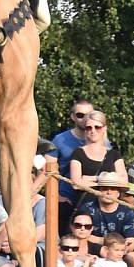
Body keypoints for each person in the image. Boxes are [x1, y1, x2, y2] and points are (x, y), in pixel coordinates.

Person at [46, 99, 93, 235]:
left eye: (89, 115)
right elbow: (47, 170)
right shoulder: (60, 140)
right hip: (66, 198)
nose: (85, 119)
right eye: (80, 115)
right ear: (72, 116)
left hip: (94, 198)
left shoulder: (102, 140)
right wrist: (56, 196)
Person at [77, 172, 134, 267]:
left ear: (118, 193)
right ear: (98, 191)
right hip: (92, 250)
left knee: (133, 257)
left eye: (113, 189)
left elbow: (131, 242)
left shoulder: (127, 211)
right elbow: (80, 234)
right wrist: (108, 244)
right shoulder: (87, 208)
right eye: (104, 188)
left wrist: (118, 249)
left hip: (119, 251)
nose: (108, 192)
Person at [69, 111, 126, 206]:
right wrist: (108, 181)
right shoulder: (78, 153)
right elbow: (75, 184)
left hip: (110, 207)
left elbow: (124, 182)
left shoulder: (114, 154)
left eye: (97, 127)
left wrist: (90, 179)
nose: (93, 131)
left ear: (104, 128)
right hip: (86, 207)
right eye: (88, 127)